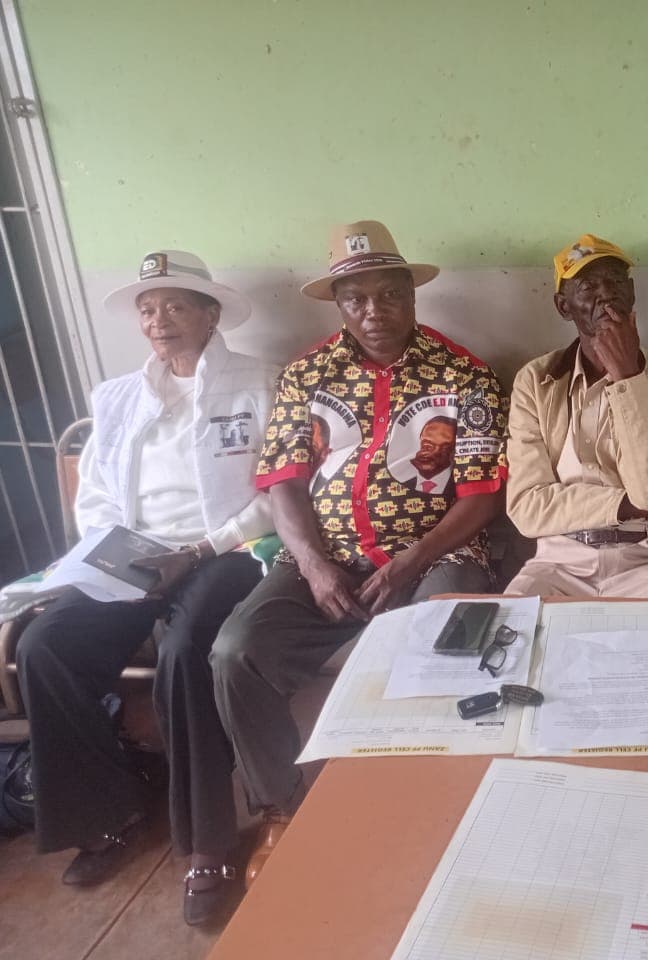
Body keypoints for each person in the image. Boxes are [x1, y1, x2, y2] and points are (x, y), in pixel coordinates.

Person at [210, 220, 507, 885]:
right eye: (357, 298)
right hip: (327, 560)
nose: (374, 311)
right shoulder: (306, 374)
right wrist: (313, 565)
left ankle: (433, 811)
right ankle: (282, 810)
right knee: (237, 652)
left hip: (438, 553)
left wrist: (409, 560)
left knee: (456, 642)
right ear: (340, 305)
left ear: (411, 294)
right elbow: (282, 479)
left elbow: (484, 495)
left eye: (388, 294)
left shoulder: (466, 374)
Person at [15, 250, 276, 924]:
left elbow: (278, 494)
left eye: (176, 305)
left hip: (225, 551)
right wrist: (118, 555)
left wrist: (199, 550)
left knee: (188, 649)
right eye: (148, 308)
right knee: (47, 646)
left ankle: (209, 844)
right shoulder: (117, 396)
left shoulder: (259, 382)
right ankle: (109, 813)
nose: (159, 320)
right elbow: (96, 496)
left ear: (210, 314)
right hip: (137, 555)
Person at [505, 234, 648, 599]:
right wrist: (633, 506)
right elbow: (527, 508)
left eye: (615, 282)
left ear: (631, 292)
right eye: (588, 286)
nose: (606, 294)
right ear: (563, 306)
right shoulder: (536, 382)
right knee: (509, 641)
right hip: (557, 562)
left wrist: (628, 378)